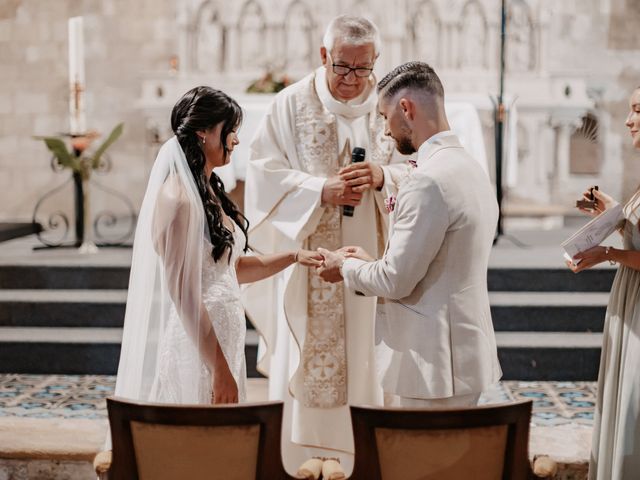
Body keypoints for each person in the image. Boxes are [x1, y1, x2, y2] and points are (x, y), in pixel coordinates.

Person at [242, 14, 409, 477]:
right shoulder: (288, 106)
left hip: (377, 261)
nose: (354, 80)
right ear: (323, 56)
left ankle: (368, 460)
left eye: (364, 68)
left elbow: (419, 167)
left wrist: (382, 176)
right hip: (310, 263)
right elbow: (262, 176)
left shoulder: (390, 104)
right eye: (343, 68)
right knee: (316, 359)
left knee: (368, 361)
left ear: (377, 60)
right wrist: (320, 190)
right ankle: (302, 463)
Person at [111, 86, 322, 412]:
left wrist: (294, 256)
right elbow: (184, 294)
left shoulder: (208, 191)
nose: (236, 140)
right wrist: (218, 369)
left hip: (224, 340)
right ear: (203, 133)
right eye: (231, 131)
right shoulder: (178, 199)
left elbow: (229, 271)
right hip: (199, 347)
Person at [318, 61, 502, 408]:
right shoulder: (470, 167)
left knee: (419, 461)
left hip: (432, 362)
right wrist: (373, 263)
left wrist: (343, 267)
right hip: (463, 352)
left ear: (406, 108)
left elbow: (395, 281)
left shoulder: (427, 181)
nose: (386, 131)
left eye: (385, 117)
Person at [567, 86, 640, 480]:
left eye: (637, 111)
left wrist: (608, 254)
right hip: (631, 300)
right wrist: (614, 212)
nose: (629, 120)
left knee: (634, 405)